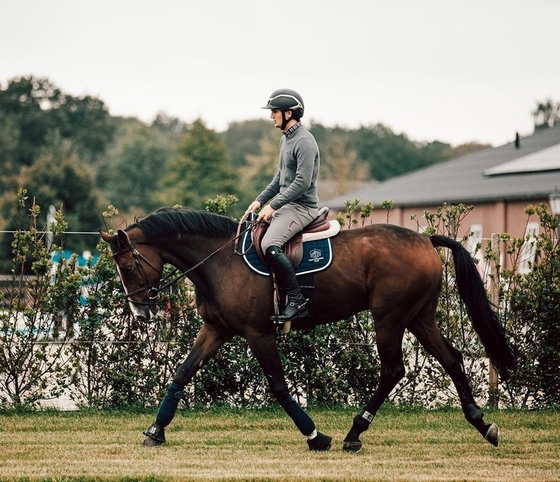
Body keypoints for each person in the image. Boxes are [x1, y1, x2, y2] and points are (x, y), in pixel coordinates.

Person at [245, 88, 320, 324]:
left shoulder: (305, 142)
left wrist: (274, 206)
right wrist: (260, 200)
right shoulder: (286, 139)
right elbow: (280, 178)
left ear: (289, 113)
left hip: (302, 207)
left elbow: (302, 182)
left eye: (274, 112)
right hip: (287, 205)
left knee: (270, 244)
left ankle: (297, 301)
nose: (271, 116)